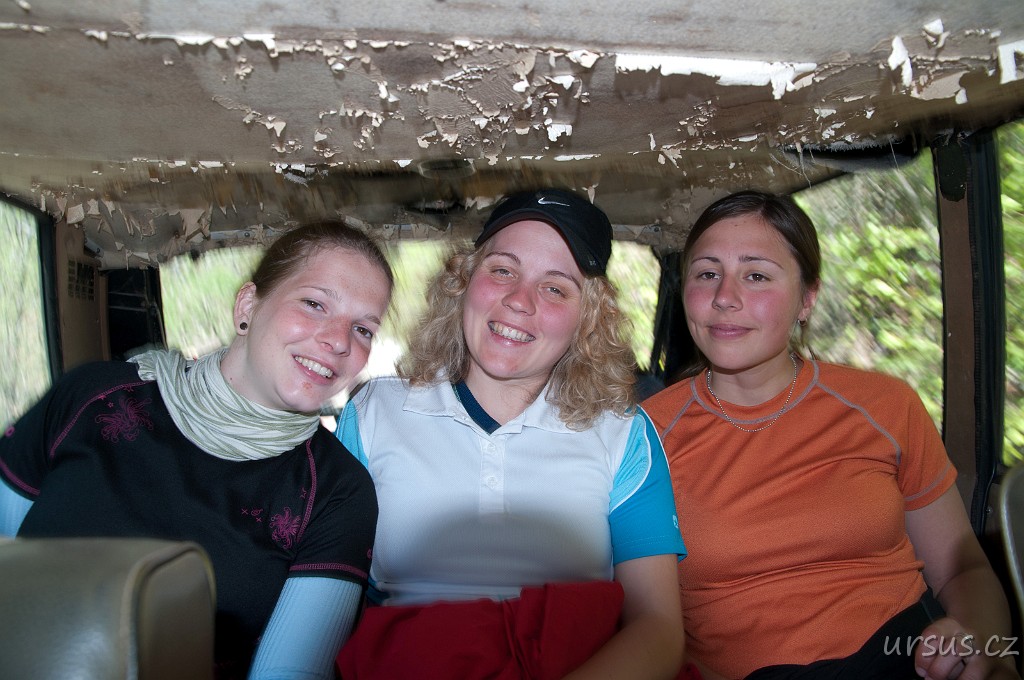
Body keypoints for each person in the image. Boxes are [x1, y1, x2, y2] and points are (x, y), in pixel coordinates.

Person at [642, 190, 1019, 680]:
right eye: (707, 274)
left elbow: (961, 568)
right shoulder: (645, 436)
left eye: (756, 275)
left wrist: (988, 655)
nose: (725, 297)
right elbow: (640, 623)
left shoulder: (886, 406)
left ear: (807, 298)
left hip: (902, 660)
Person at [0, 221, 394, 680]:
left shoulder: (337, 491)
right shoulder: (90, 399)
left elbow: (288, 671)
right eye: (314, 304)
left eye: (363, 329)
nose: (340, 341)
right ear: (248, 306)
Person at [334, 188, 687, 679]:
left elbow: (658, 629)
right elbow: (328, 602)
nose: (519, 301)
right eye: (503, 270)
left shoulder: (623, 432)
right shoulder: (374, 413)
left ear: (587, 318)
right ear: (463, 281)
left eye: (555, 288)